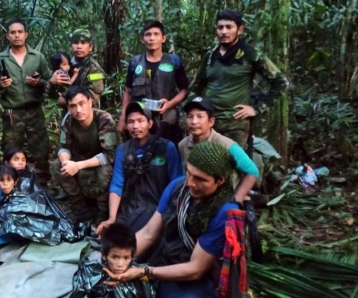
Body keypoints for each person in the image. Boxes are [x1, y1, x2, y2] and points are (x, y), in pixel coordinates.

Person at [104, 142, 240, 298]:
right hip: (164, 260)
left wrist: (144, 272)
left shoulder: (224, 212)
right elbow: (148, 233)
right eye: (189, 172)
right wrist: (115, 257)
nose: (190, 183)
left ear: (220, 181)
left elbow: (196, 269)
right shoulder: (177, 187)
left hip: (194, 277)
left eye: (200, 179)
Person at [190, 9, 289, 148]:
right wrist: (194, 115)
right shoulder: (210, 56)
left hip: (235, 124)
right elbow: (195, 88)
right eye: (220, 27)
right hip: (209, 122)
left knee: (232, 165)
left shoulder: (250, 54)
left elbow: (281, 83)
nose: (224, 31)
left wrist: (257, 109)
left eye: (229, 27)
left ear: (240, 29)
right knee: (204, 163)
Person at [97, 102, 183, 234]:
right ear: (126, 125)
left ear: (150, 124)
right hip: (131, 209)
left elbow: (177, 183)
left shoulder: (167, 147)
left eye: (140, 121)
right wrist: (112, 218)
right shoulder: (123, 150)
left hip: (158, 210)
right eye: (131, 121)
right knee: (110, 236)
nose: (135, 126)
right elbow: (117, 184)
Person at [0, 18, 52, 185]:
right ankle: (12, 183)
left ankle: (42, 184)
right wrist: (1, 85)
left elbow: (49, 82)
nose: (17, 35)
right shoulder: (0, 59)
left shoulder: (37, 57)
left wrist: (38, 83)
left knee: (40, 147)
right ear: (7, 36)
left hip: (35, 110)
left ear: (26, 34)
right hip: (13, 111)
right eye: (13, 32)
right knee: (11, 147)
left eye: (20, 32)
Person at [50, 86, 119, 223]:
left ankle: (104, 212)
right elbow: (63, 147)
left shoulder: (103, 119)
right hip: (80, 160)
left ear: (90, 102)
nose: (78, 110)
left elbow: (110, 155)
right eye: (73, 106)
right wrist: (66, 163)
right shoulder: (69, 120)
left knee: (105, 172)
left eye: (81, 104)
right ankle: (80, 210)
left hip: (102, 163)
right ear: (69, 108)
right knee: (57, 165)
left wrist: (77, 166)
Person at [119, 20, 189, 144]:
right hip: (140, 122)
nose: (152, 38)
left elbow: (184, 90)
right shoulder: (135, 63)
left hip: (167, 121)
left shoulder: (173, 62)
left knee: (167, 154)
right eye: (148, 34)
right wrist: (123, 116)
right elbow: (128, 91)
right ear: (142, 39)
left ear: (163, 38)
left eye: (156, 34)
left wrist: (169, 104)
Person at [178, 97, 259, 203]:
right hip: (197, 195)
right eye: (190, 117)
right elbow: (186, 174)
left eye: (200, 117)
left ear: (211, 121)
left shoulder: (226, 145)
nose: (194, 122)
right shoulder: (183, 145)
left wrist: (237, 199)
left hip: (223, 198)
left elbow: (252, 171)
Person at [70, 223, 155, 298]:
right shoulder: (92, 275)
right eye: (115, 257)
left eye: (126, 258)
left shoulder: (139, 274)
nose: (120, 264)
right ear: (104, 255)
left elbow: (150, 280)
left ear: (132, 257)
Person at [51, 29, 105, 108]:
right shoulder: (65, 64)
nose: (79, 47)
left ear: (90, 47)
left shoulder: (95, 70)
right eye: (76, 43)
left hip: (86, 115)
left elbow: (92, 98)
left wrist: (66, 102)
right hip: (67, 115)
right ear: (71, 46)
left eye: (83, 43)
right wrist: (52, 83)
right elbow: (50, 94)